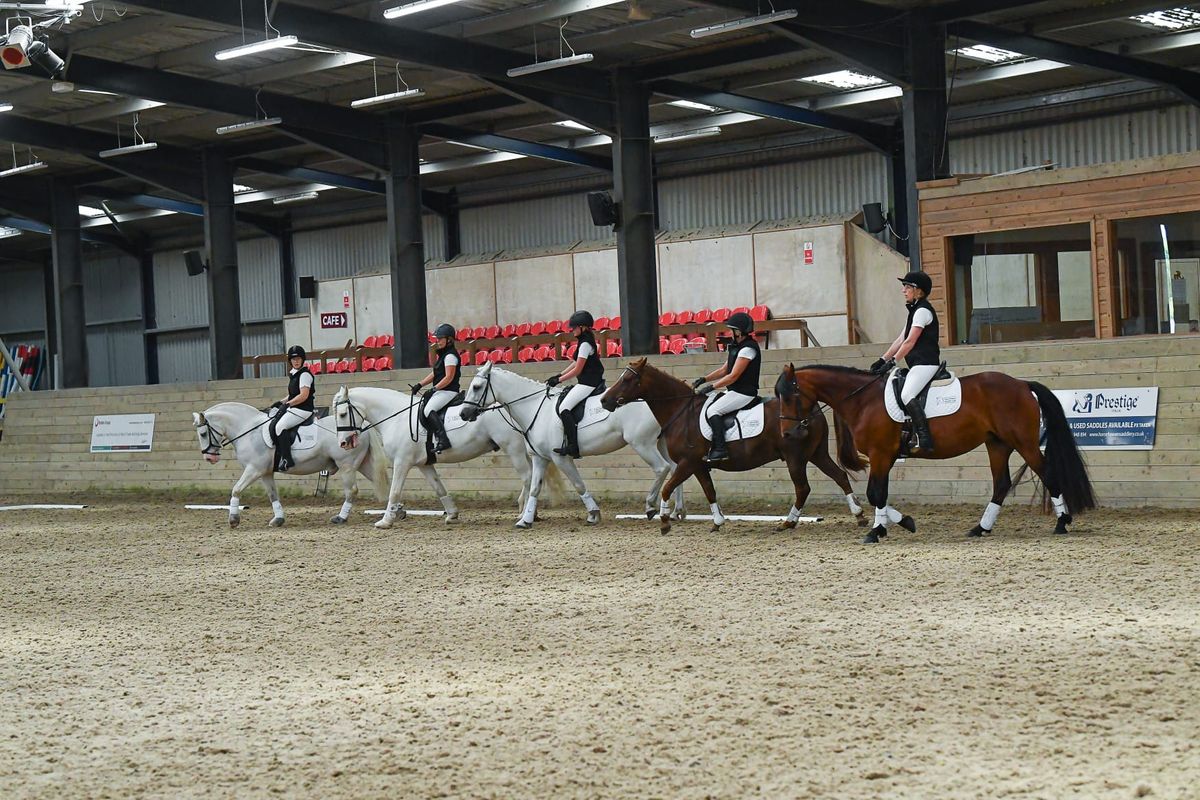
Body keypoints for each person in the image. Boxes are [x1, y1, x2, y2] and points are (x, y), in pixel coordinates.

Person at [869, 270, 939, 453]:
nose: (904, 291)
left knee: (907, 394)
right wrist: (882, 359)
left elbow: (910, 341)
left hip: (926, 363)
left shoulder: (923, 311)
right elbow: (900, 340)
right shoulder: (914, 312)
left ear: (918, 291)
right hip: (917, 364)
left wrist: (893, 362)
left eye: (907, 287)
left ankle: (925, 437)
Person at [692, 311, 760, 463]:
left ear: (739, 331)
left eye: (732, 330)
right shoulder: (737, 347)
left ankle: (720, 449)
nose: (730, 332)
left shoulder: (748, 349)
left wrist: (711, 387)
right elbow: (724, 370)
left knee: (713, 410)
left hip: (744, 393)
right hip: (735, 391)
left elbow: (733, 376)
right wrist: (704, 379)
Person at [546, 310, 605, 458]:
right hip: (588, 381)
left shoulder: (585, 344)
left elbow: (578, 369)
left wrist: (558, 381)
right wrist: (559, 374)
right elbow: (575, 363)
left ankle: (573, 446)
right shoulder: (584, 341)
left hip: (588, 383)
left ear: (583, 327)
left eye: (574, 327)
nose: (572, 330)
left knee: (564, 408)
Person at [413, 323, 460, 454]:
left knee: (429, 409)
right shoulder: (444, 355)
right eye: (437, 339)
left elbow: (449, 377)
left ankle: (443, 440)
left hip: (448, 391)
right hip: (442, 390)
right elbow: (436, 373)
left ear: (449, 340)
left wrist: (434, 389)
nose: (437, 341)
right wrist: (420, 384)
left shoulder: (450, 356)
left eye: (440, 339)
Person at [270, 345, 315, 472]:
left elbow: (303, 395)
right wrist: (280, 402)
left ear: (302, 359)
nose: (296, 361)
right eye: (293, 359)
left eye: (298, 359)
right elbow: (292, 395)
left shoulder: (305, 375)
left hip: (303, 410)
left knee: (280, 427)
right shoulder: (294, 375)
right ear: (290, 360)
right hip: (295, 408)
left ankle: (287, 459)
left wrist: (288, 404)